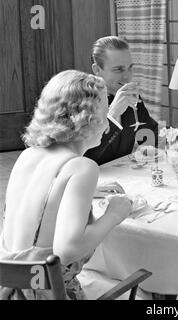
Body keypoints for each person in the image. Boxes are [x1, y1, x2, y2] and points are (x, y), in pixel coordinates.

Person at [0, 70, 133, 300]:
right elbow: (68, 249)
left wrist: (88, 192)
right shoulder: (82, 167)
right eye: (103, 115)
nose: (107, 126)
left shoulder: (29, 155)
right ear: (86, 119)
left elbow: (43, 201)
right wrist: (114, 214)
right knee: (142, 290)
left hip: (12, 289)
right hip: (50, 293)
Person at [84, 36, 158, 165]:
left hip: (127, 178)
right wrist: (112, 115)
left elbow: (149, 134)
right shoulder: (79, 102)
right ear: (97, 70)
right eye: (118, 69)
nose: (127, 76)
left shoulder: (130, 95)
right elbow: (84, 157)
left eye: (130, 68)